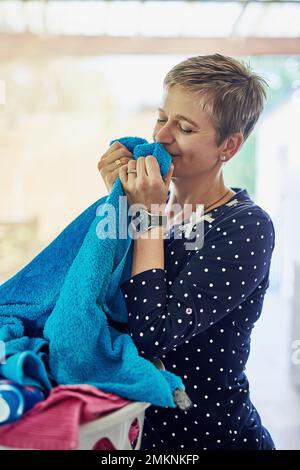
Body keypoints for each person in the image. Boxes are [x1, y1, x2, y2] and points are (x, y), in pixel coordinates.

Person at [98, 53, 276, 450]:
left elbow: (152, 334)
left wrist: (147, 215)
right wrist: (118, 203)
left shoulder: (247, 226)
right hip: (134, 434)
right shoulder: (152, 210)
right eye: (162, 118)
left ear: (228, 147)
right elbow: (106, 301)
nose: (161, 136)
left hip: (209, 437)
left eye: (185, 127)